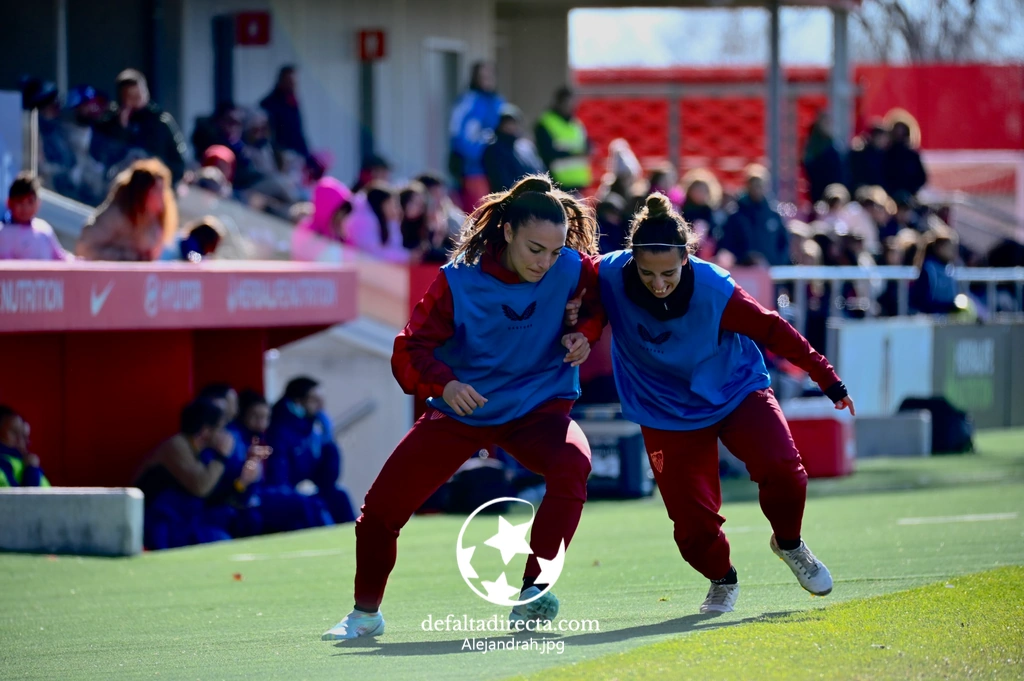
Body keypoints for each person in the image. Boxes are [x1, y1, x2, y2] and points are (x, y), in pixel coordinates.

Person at [322, 175, 598, 641]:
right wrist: (446, 386)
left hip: (538, 408)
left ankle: (533, 592)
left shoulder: (573, 268)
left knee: (574, 462)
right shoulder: (457, 279)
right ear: (507, 231)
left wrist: (584, 332)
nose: (546, 263)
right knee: (380, 511)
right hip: (463, 409)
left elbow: (602, 302)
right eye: (535, 249)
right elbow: (409, 351)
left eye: (554, 252)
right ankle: (364, 615)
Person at [565, 193, 854, 614]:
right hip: (663, 408)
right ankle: (722, 580)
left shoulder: (716, 288)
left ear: (686, 258)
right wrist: (585, 332)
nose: (658, 283)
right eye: (647, 273)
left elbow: (774, 331)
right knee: (692, 525)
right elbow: (590, 304)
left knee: (785, 472)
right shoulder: (608, 275)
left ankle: (789, 544)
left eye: (668, 272)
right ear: (632, 259)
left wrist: (827, 378)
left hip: (735, 389)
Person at [135, 399, 260, 549]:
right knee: (220, 540)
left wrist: (242, 483)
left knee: (243, 519)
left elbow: (215, 495)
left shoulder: (204, 451)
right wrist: (222, 457)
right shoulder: (177, 446)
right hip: (160, 522)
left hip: (186, 519)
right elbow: (201, 487)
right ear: (205, 432)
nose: (226, 435)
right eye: (220, 429)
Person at [266, 377, 356, 528]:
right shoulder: (278, 431)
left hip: (305, 493)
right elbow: (278, 477)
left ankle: (359, 540)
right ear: (298, 403)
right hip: (286, 496)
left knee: (339, 496)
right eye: (315, 400)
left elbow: (328, 479)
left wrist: (329, 443)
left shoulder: (312, 430)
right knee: (311, 506)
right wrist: (299, 490)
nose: (321, 406)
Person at [90, 69, 187, 184]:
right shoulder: (109, 124)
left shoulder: (160, 122)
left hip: (155, 185)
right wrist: (121, 128)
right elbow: (103, 158)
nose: (137, 100)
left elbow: (177, 161)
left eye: (139, 94)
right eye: (131, 96)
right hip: (122, 186)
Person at [76, 158, 177, 261]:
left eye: (163, 190)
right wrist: (126, 257)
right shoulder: (116, 216)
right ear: (142, 193)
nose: (162, 196)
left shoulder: (156, 224)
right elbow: (85, 248)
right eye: (156, 190)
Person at [449, 62, 505, 211]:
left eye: (490, 76)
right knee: (478, 214)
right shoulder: (467, 101)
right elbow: (457, 135)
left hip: (498, 167)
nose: (487, 80)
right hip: (474, 169)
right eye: (482, 76)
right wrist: (479, 152)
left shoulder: (498, 101)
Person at [717, 165, 790, 266]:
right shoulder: (736, 215)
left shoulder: (774, 214)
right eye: (753, 185)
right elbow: (727, 245)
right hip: (744, 273)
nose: (756, 189)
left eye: (759, 185)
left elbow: (784, 244)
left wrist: (775, 263)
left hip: (771, 274)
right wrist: (745, 258)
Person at [0, 172, 71, 261]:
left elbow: (60, 258)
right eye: (20, 202)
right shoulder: (3, 233)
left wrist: (80, 261)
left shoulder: (44, 229)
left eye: (30, 202)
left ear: (38, 203)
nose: (25, 207)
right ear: (9, 203)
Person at [534, 87, 592, 194]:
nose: (571, 106)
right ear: (559, 102)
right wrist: (574, 153)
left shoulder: (576, 124)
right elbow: (546, 152)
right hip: (557, 184)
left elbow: (587, 146)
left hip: (578, 184)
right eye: (568, 103)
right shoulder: (546, 123)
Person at [483, 105, 545, 193]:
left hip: (533, 197)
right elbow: (502, 181)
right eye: (507, 123)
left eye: (514, 123)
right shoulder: (494, 150)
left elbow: (539, 170)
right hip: (510, 200)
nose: (511, 126)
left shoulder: (525, 147)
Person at [345, 182, 409, 262]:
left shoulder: (388, 222)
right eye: (394, 204)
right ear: (382, 204)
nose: (398, 209)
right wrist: (407, 256)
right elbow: (374, 254)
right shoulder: (363, 222)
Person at [260, 66, 312, 161]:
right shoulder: (269, 104)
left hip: (296, 153)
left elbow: (297, 131)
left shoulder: (292, 102)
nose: (293, 85)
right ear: (281, 80)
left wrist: (307, 154)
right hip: (278, 156)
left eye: (294, 82)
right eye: (289, 81)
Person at [0, 406, 50, 487]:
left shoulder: (22, 460)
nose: (20, 439)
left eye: (22, 434)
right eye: (14, 432)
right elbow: (20, 499)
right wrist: (31, 469)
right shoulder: (4, 463)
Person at [802, 111, 845, 204]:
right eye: (825, 122)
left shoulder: (834, 143)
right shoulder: (813, 144)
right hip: (819, 189)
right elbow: (808, 164)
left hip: (836, 189)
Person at [882, 113, 927, 200]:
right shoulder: (886, 153)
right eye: (897, 130)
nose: (899, 134)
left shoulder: (912, 154)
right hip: (889, 196)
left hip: (909, 196)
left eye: (902, 130)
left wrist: (911, 190)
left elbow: (921, 177)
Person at [848, 120, 888, 192]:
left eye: (883, 137)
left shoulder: (885, 155)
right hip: (864, 190)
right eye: (879, 137)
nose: (881, 140)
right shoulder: (860, 154)